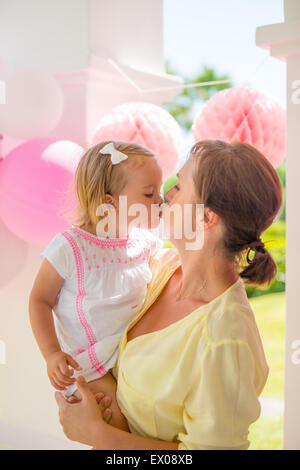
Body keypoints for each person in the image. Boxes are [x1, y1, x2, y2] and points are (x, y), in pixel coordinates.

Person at [55, 140, 282, 450]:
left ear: (206, 218)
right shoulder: (158, 268)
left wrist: (98, 434)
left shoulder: (225, 340)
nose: (165, 196)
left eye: (179, 186)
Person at [29, 141, 164, 431]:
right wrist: (52, 353)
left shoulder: (145, 242)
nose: (160, 201)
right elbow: (39, 300)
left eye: (160, 191)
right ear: (110, 202)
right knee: (117, 430)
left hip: (132, 353)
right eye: (149, 194)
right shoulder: (70, 247)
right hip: (91, 366)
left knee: (149, 422)